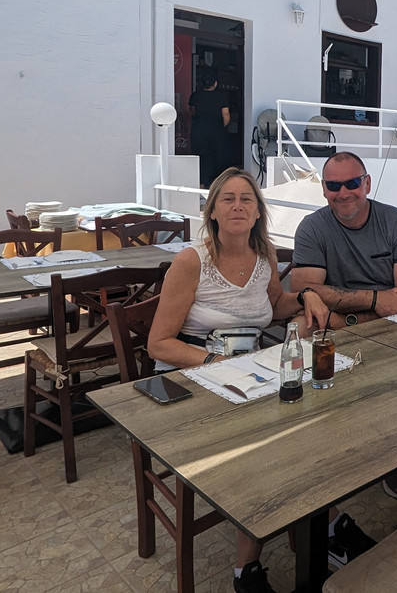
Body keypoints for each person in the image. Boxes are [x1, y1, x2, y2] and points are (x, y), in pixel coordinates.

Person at [147, 168, 370, 592]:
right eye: (227, 198)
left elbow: (273, 306)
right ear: (211, 210)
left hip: (245, 375)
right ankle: (246, 569)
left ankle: (324, 524)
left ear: (257, 211)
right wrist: (216, 361)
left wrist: (306, 296)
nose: (237, 206)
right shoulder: (192, 260)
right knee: (270, 451)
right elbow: (158, 344)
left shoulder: (264, 253)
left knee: (313, 426)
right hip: (191, 377)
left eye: (246, 199)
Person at [291, 151, 397, 503]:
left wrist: (344, 314)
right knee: (300, 328)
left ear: (366, 183)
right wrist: (374, 300)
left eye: (352, 183)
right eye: (334, 185)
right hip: (342, 324)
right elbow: (306, 291)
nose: (344, 192)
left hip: (389, 326)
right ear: (324, 189)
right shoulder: (312, 227)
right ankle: (305, 438)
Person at [188, 71, 231, 188]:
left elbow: (192, 111)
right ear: (215, 84)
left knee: (201, 156)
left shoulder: (195, 96)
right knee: (217, 156)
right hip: (216, 131)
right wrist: (221, 128)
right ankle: (217, 184)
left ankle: (201, 183)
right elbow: (226, 116)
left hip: (199, 130)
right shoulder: (221, 97)